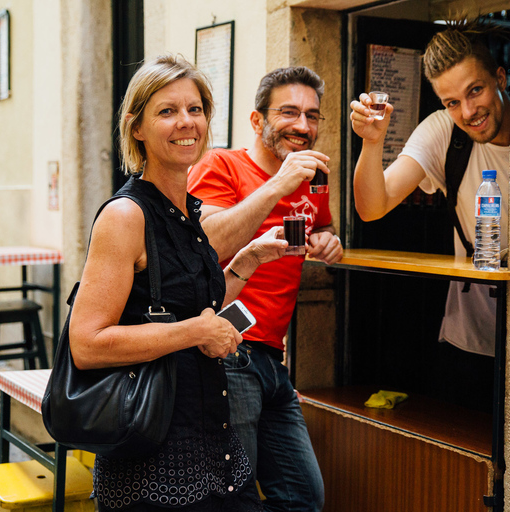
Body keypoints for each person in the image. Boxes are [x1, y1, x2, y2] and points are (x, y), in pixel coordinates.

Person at [69, 55, 288, 512]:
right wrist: (195, 332)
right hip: (152, 456)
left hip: (212, 439)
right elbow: (86, 344)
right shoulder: (126, 215)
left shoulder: (191, 210)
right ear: (137, 128)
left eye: (195, 109)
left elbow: (191, 304)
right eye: (167, 111)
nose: (186, 122)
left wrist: (245, 262)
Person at [187, 67, 342, 512]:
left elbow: (323, 226)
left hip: (274, 359)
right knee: (233, 497)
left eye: (312, 115)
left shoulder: (314, 176)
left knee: (302, 497)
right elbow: (209, 241)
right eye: (289, 112)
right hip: (228, 352)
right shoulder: (222, 165)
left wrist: (329, 240)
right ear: (258, 121)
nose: (303, 125)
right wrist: (279, 182)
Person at [350, 20, 510, 409]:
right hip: (469, 335)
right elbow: (372, 207)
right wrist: (373, 144)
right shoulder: (444, 131)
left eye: (476, 90)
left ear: (500, 78)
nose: (469, 111)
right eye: (452, 102)